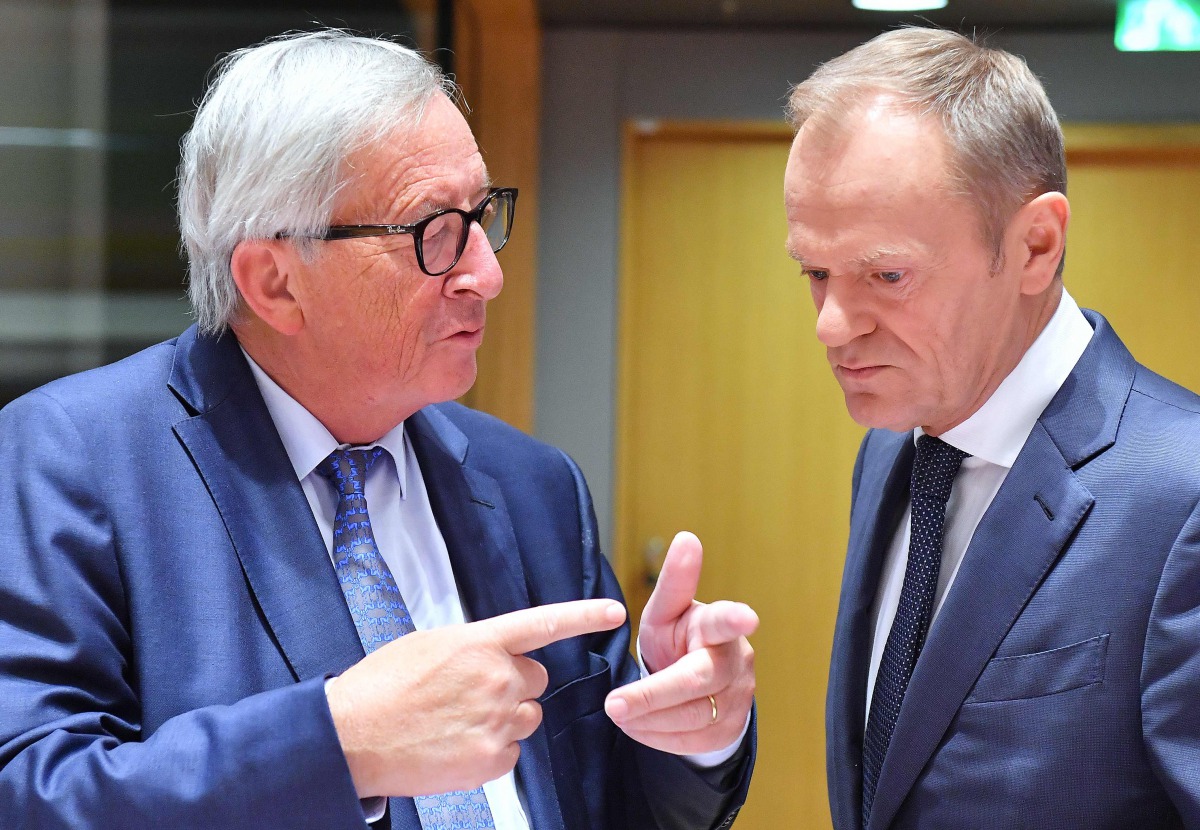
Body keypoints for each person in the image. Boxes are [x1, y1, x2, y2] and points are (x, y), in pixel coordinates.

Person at [0, 30, 757, 830]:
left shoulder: (532, 484)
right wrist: (340, 745)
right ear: (274, 281)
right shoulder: (72, 461)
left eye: (481, 216)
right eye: (433, 231)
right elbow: (31, 796)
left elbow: (610, 801)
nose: (487, 276)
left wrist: (689, 727)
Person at [784, 26, 1200, 830]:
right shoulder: (892, 455)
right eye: (814, 272)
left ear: (1036, 246)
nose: (832, 326)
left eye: (887, 274)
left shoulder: (1182, 497)